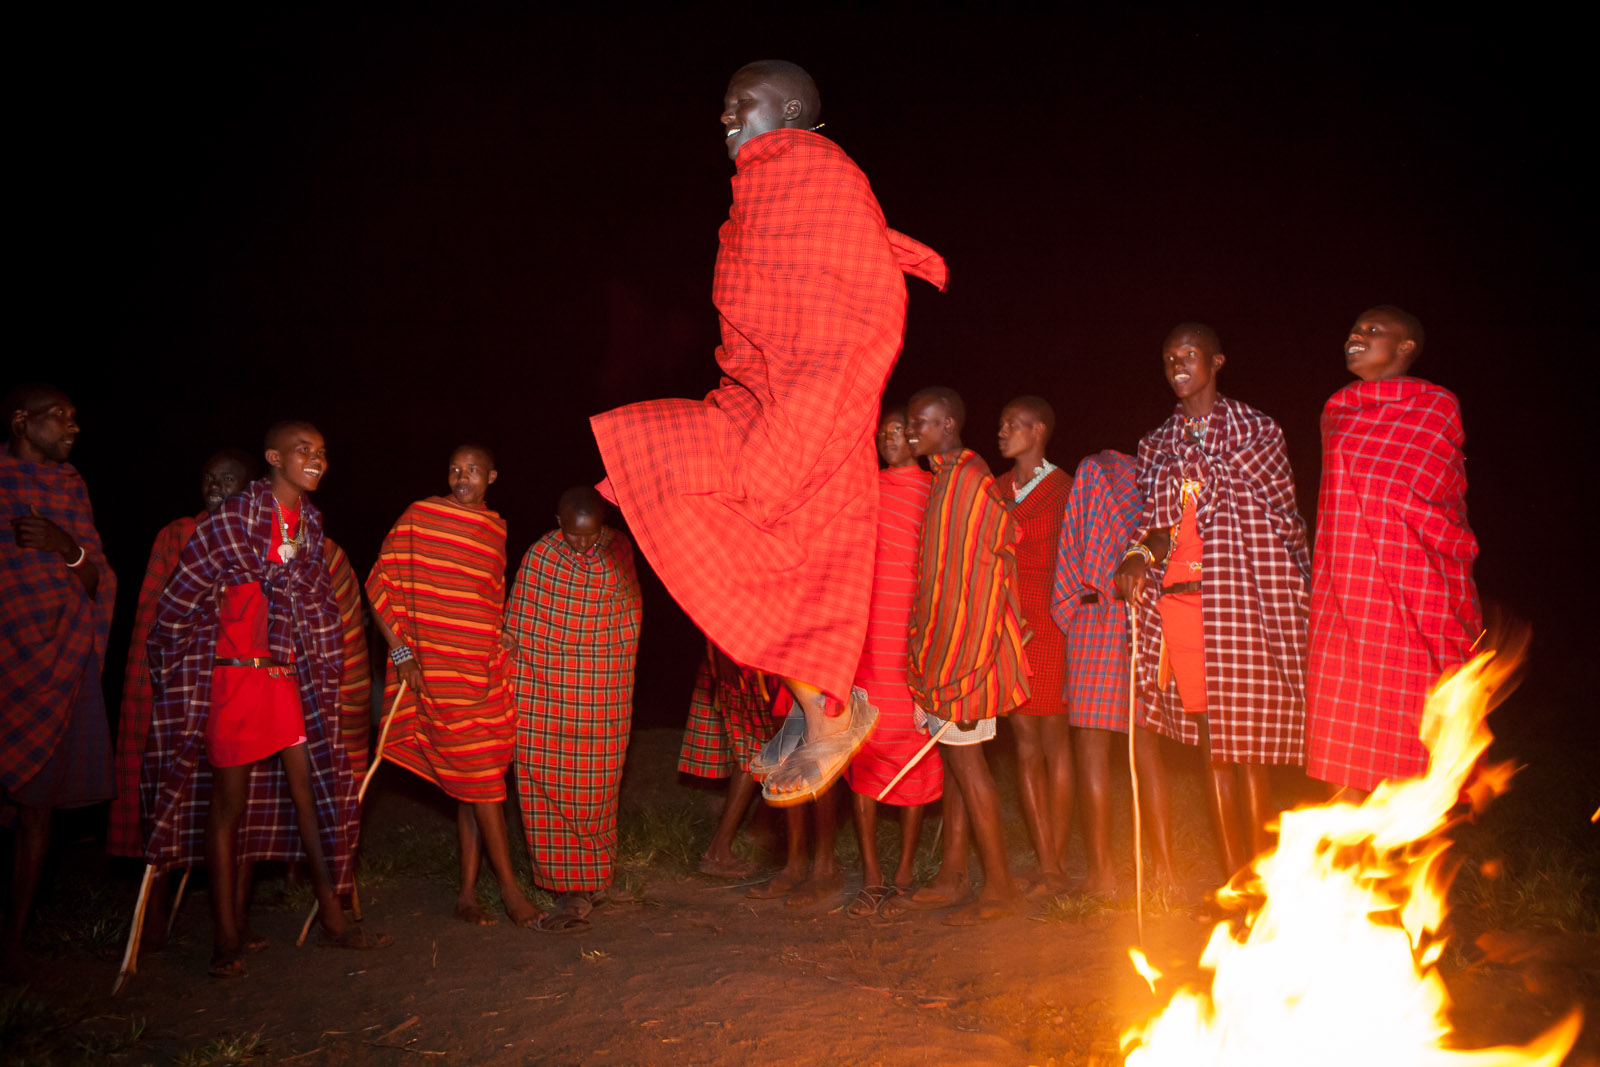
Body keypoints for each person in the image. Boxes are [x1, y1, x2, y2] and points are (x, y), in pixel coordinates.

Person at [590, 59, 947, 803]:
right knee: (658, 461)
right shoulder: (755, 193)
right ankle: (819, 706)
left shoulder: (821, 172)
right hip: (756, 393)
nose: (725, 118)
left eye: (738, 105)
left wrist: (825, 389)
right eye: (723, 107)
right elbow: (754, 310)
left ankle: (827, 713)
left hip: (816, 395)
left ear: (787, 108)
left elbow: (870, 293)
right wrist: (754, 385)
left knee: (781, 535)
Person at [145, 421, 385, 978]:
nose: (317, 459)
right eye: (305, 450)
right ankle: (225, 937)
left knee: (314, 792)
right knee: (227, 807)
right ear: (273, 457)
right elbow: (178, 603)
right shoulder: (228, 522)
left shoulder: (310, 526)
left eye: (323, 452)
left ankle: (334, 919)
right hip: (234, 679)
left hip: (286, 679)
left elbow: (317, 605)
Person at [1114, 325, 1311, 881]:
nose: (1177, 363)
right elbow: (1158, 528)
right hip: (1181, 608)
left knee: (1245, 748)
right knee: (1210, 744)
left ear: (1217, 360)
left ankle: (1258, 882)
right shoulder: (1157, 444)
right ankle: (1232, 880)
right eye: (1169, 356)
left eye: (1189, 354)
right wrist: (1137, 555)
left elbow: (1282, 516)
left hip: (1241, 602)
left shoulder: (1257, 431)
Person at [1306, 306, 1481, 798]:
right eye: (1354, 327)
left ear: (1406, 348)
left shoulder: (1435, 405)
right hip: (1349, 589)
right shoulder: (1336, 409)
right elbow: (1339, 505)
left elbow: (1436, 498)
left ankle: (1411, 859)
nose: (1355, 335)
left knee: (1413, 735)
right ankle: (1344, 865)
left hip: (1415, 587)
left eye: (1372, 330)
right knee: (1349, 732)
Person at [366, 444, 538, 927]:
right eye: (455, 470)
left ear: (492, 476)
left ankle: (466, 895)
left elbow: (483, 595)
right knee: (483, 783)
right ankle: (509, 891)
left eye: (473, 471)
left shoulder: (493, 529)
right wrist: (401, 653)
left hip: (483, 671)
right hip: (439, 676)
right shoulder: (421, 517)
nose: (462, 478)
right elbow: (380, 583)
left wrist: (496, 628)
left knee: (475, 782)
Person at [107, 448, 250, 948]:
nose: (215, 485)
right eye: (209, 477)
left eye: (228, 479)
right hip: (181, 684)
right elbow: (153, 611)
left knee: (235, 809)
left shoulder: (256, 537)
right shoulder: (176, 533)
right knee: (168, 799)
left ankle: (232, 922)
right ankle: (152, 920)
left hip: (233, 690)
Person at [901, 387, 1029, 924]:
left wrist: (961, 650)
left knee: (969, 767)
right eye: (909, 422)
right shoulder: (946, 479)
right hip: (943, 647)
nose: (911, 431)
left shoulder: (970, 482)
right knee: (954, 766)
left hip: (967, 652)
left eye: (920, 422)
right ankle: (953, 872)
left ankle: (999, 885)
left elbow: (985, 569)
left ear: (949, 423)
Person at [1, 384, 116, 973]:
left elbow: (97, 578)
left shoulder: (71, 487)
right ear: (22, 421)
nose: (74, 427)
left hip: (52, 664)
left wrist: (66, 547)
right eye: (60, 417)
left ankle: (14, 938)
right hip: (6, 656)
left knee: (36, 811)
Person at [509, 486, 643, 931]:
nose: (583, 545)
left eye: (591, 535)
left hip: (603, 689)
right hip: (548, 694)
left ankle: (597, 875)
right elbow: (523, 624)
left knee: (600, 783)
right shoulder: (542, 557)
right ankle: (568, 885)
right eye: (573, 535)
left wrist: (607, 663)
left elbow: (629, 617)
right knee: (548, 775)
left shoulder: (618, 548)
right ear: (557, 521)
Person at [1051, 450, 1179, 897]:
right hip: (1144, 617)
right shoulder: (1152, 479)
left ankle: (1103, 875)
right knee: (1145, 748)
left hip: (1097, 614)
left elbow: (1077, 550)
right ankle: (1166, 875)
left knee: (1091, 747)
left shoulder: (1092, 470)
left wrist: (1071, 604)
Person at [843, 407, 942, 919]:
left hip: (913, 643)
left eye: (898, 433)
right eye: (881, 434)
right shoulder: (865, 488)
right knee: (862, 749)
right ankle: (872, 876)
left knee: (916, 753)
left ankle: (902, 870)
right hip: (867, 641)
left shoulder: (933, 490)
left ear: (917, 438)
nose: (888, 441)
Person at [994, 396, 1074, 894]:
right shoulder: (997, 488)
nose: (1002, 431)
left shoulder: (1065, 488)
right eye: (1001, 425)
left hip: (1052, 620)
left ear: (1038, 430)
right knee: (1024, 745)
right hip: (1010, 624)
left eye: (1013, 425)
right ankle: (1047, 861)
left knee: (1054, 743)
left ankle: (1055, 864)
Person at [678, 640, 776, 879]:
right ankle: (719, 850)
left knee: (772, 746)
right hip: (745, 659)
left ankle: (757, 829)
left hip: (753, 657)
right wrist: (724, 652)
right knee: (759, 750)